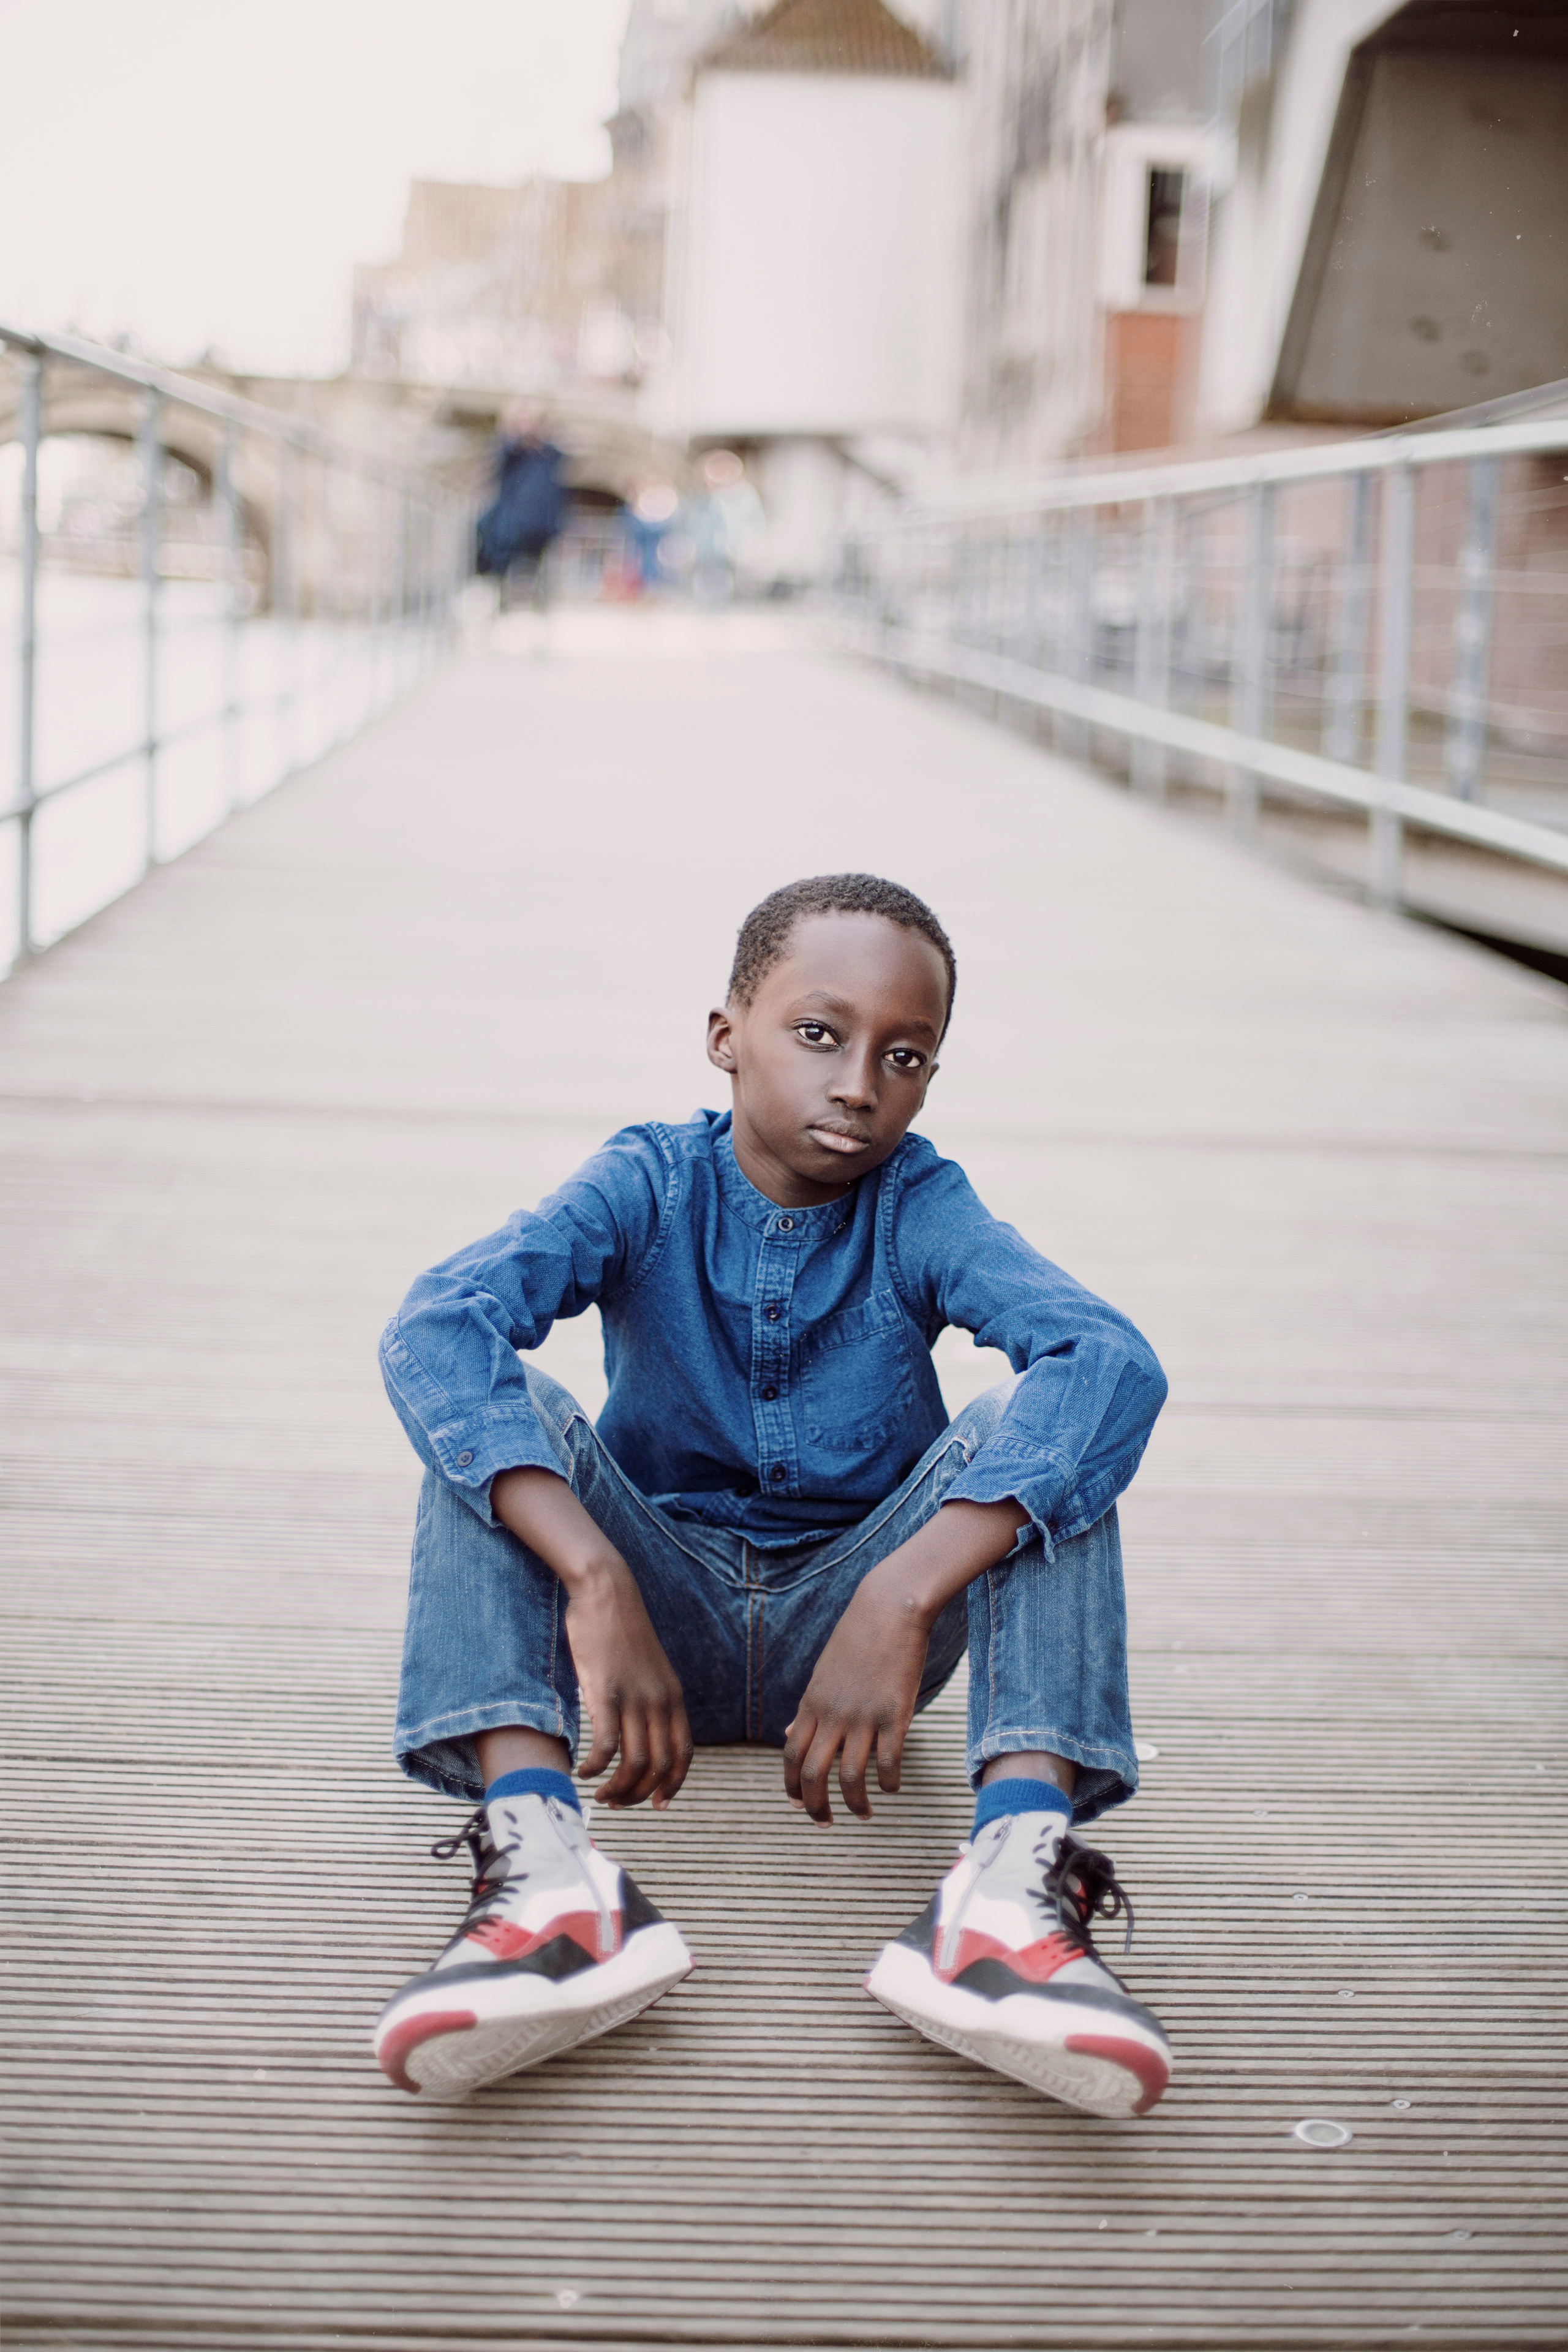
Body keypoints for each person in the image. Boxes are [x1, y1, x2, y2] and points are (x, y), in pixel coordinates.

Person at [372, 873, 1172, 2119]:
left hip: (859, 1641)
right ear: (724, 1036)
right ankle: (544, 1875)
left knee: (1048, 1430)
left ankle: (1010, 1892)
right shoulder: (646, 1182)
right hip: (657, 1621)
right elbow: (437, 1324)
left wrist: (900, 1597)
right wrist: (594, 1575)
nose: (858, 1084)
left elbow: (1110, 1359)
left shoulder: (920, 1206)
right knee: (496, 1405)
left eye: (904, 1056)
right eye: (817, 1034)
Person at [475, 402, 567, 608]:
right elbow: (500, 460)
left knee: (536, 568)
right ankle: (500, 599)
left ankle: (532, 604)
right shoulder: (509, 450)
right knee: (501, 561)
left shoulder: (548, 453)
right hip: (511, 521)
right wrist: (518, 438)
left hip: (540, 522)